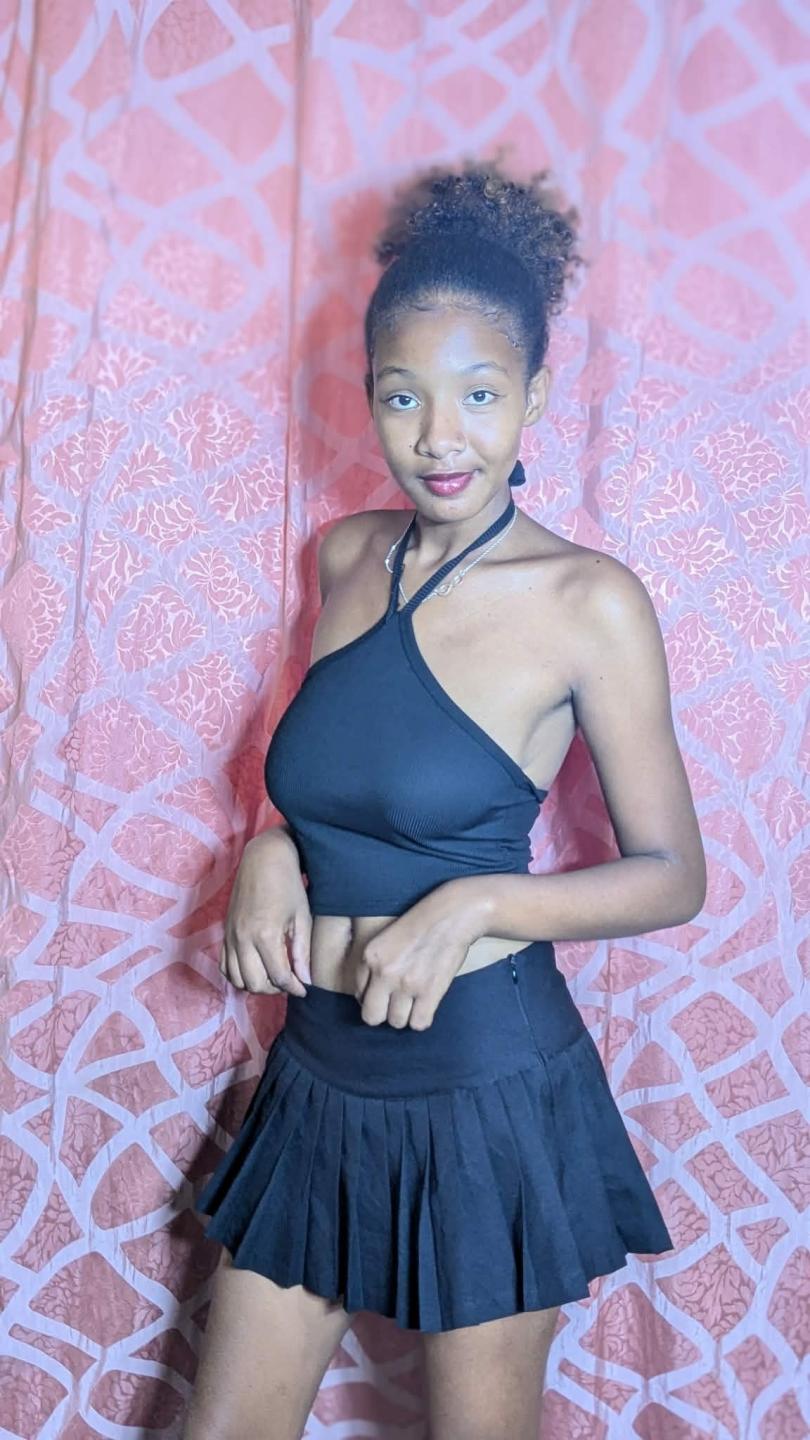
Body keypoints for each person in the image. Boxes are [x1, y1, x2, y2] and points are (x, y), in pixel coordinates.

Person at [183, 157, 706, 1440]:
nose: (438, 436)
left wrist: (477, 903)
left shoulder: (588, 601)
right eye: (403, 394)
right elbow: (337, 776)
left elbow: (673, 875)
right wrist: (268, 849)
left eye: (479, 394)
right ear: (368, 395)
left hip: (486, 1087)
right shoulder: (345, 556)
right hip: (317, 1070)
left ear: (534, 397)